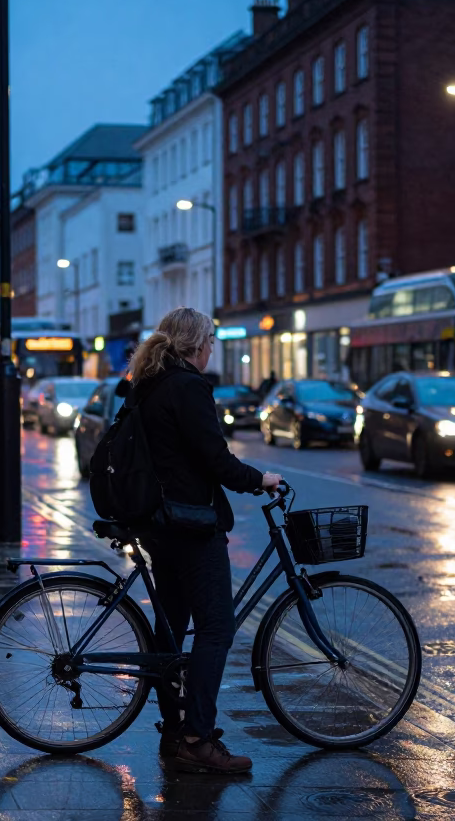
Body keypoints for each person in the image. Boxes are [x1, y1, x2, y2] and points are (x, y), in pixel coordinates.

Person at [127, 307, 281, 775]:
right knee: (216, 627)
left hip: (160, 523)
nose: (212, 347)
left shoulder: (149, 382)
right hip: (191, 526)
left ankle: (174, 732)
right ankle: (196, 738)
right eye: (210, 340)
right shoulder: (188, 386)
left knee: (170, 634)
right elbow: (215, 457)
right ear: (196, 344)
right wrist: (262, 479)